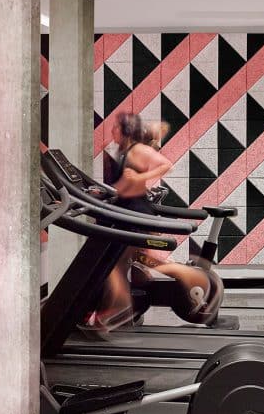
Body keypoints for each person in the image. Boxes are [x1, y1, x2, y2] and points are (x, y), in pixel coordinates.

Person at [82, 113, 212, 332]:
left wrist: (140, 179)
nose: (111, 131)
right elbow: (123, 187)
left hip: (136, 215)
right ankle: (131, 306)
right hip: (129, 212)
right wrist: (98, 194)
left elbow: (165, 165)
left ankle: (119, 310)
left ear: (125, 131)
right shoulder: (124, 153)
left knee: (115, 266)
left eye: (115, 128)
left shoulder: (137, 150)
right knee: (139, 265)